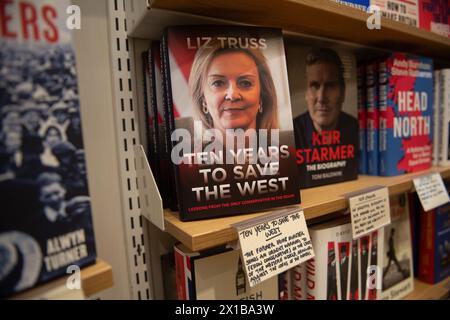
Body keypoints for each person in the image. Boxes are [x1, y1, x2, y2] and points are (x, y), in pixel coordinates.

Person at [188, 39, 279, 144]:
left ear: (262, 96)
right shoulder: (187, 160)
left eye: (245, 83)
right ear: (203, 100)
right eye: (218, 83)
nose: (232, 95)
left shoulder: (287, 157)